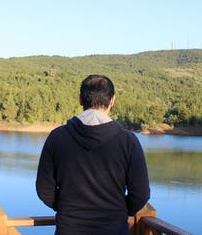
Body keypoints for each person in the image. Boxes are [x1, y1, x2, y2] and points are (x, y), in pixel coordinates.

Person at [36, 74, 150, 235]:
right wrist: (118, 210)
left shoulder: (57, 137)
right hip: (114, 229)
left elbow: (44, 190)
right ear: (112, 100)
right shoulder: (128, 141)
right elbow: (141, 194)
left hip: (69, 229)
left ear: (80, 99)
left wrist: (67, 207)